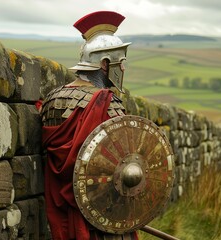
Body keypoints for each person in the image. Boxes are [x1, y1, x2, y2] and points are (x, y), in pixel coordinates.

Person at [40, 11, 138, 240]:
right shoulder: (109, 104)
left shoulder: (52, 99)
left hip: (60, 209)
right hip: (103, 211)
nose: (122, 69)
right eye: (120, 62)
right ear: (104, 63)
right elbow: (121, 163)